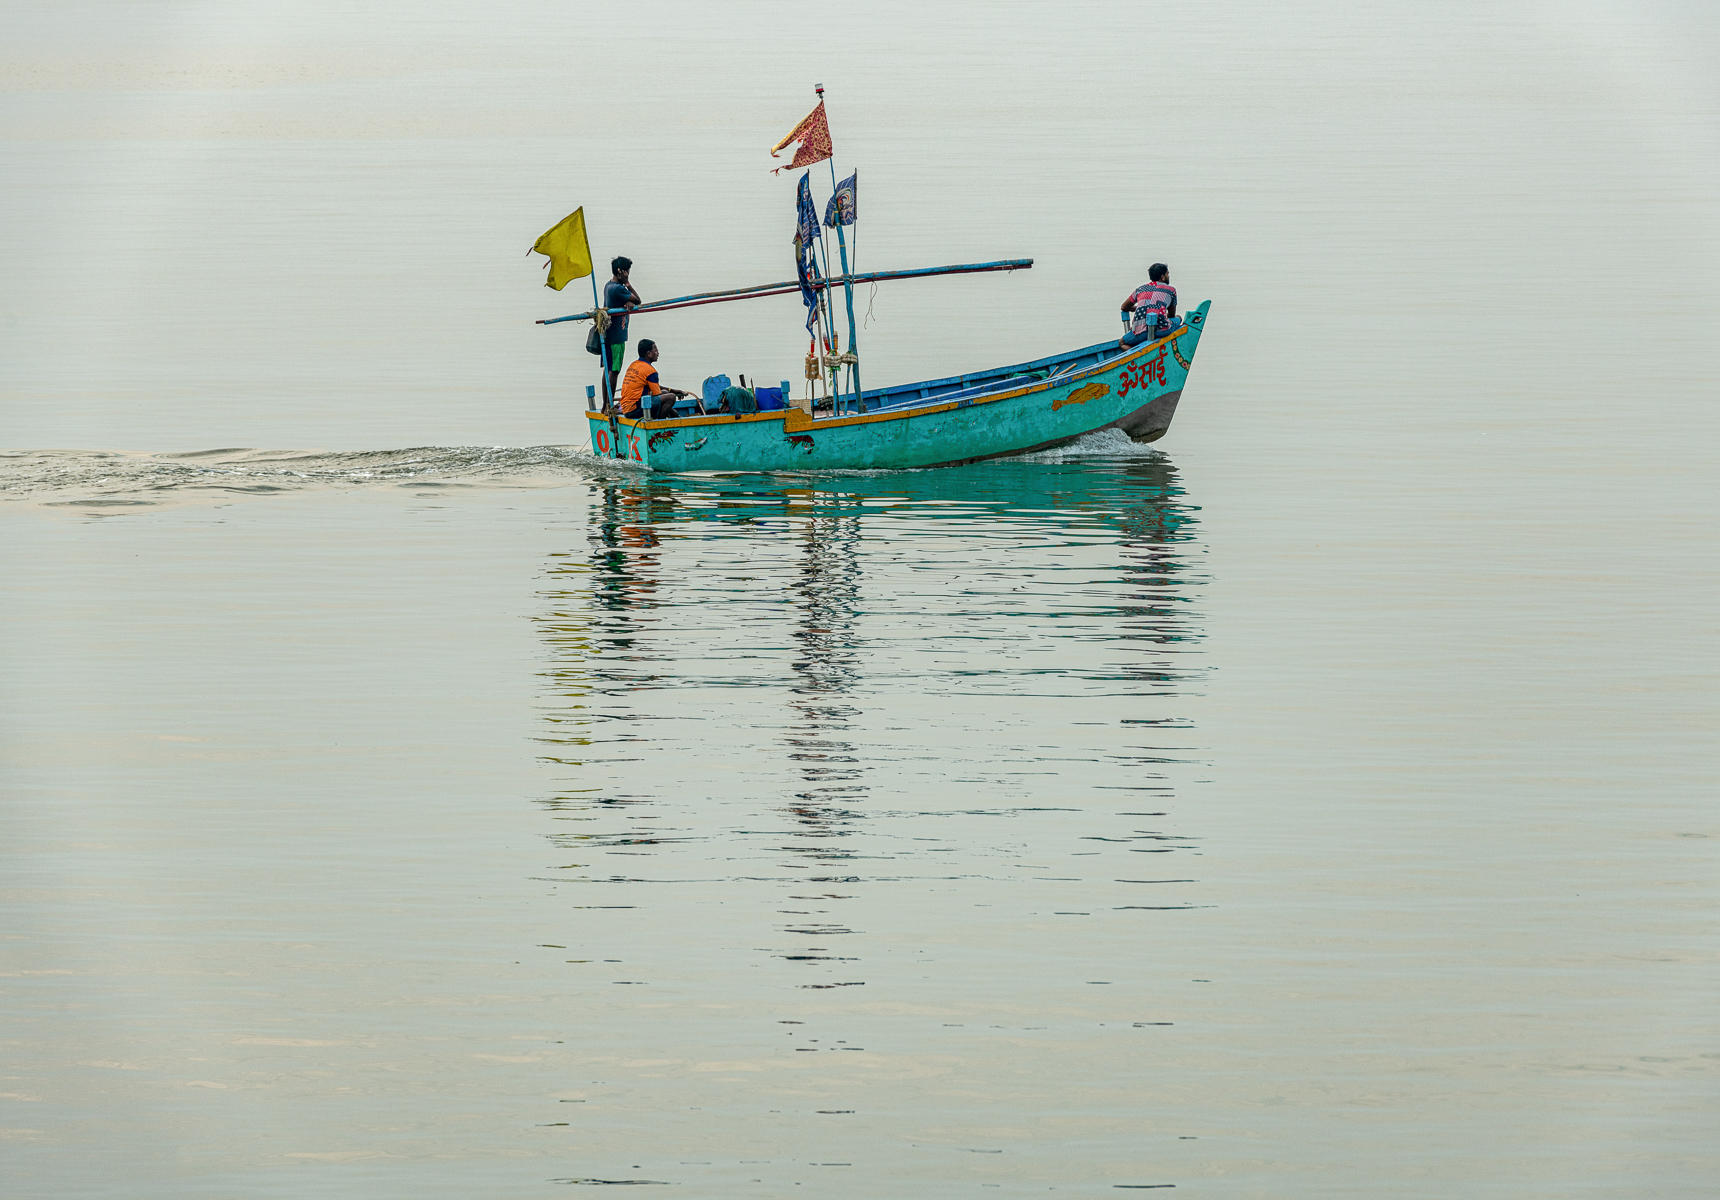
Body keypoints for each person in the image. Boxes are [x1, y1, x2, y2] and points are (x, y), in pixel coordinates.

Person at [617, 340, 694, 420]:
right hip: (635, 410)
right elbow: (657, 395)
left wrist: (673, 390)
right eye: (656, 350)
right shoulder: (650, 371)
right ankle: (659, 423)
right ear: (649, 353)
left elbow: (656, 388)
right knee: (671, 397)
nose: (658, 353)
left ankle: (676, 416)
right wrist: (673, 394)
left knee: (666, 393)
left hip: (626, 408)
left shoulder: (634, 365)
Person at [602, 256, 641, 404]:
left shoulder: (608, 285)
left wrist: (628, 300)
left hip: (608, 334)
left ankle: (606, 405)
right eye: (627, 272)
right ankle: (609, 405)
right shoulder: (618, 288)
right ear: (621, 272)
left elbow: (631, 301)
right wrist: (628, 284)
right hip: (617, 335)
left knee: (609, 368)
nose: (628, 274)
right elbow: (638, 300)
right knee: (614, 371)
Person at [1120, 263, 1181, 347]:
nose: (1168, 276)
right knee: (1178, 318)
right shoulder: (1171, 290)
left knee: (1122, 343)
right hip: (1162, 329)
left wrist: (1138, 308)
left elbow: (1124, 307)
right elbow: (1171, 314)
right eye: (1167, 274)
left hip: (1140, 331)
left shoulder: (1140, 289)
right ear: (1162, 277)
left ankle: (1138, 356)